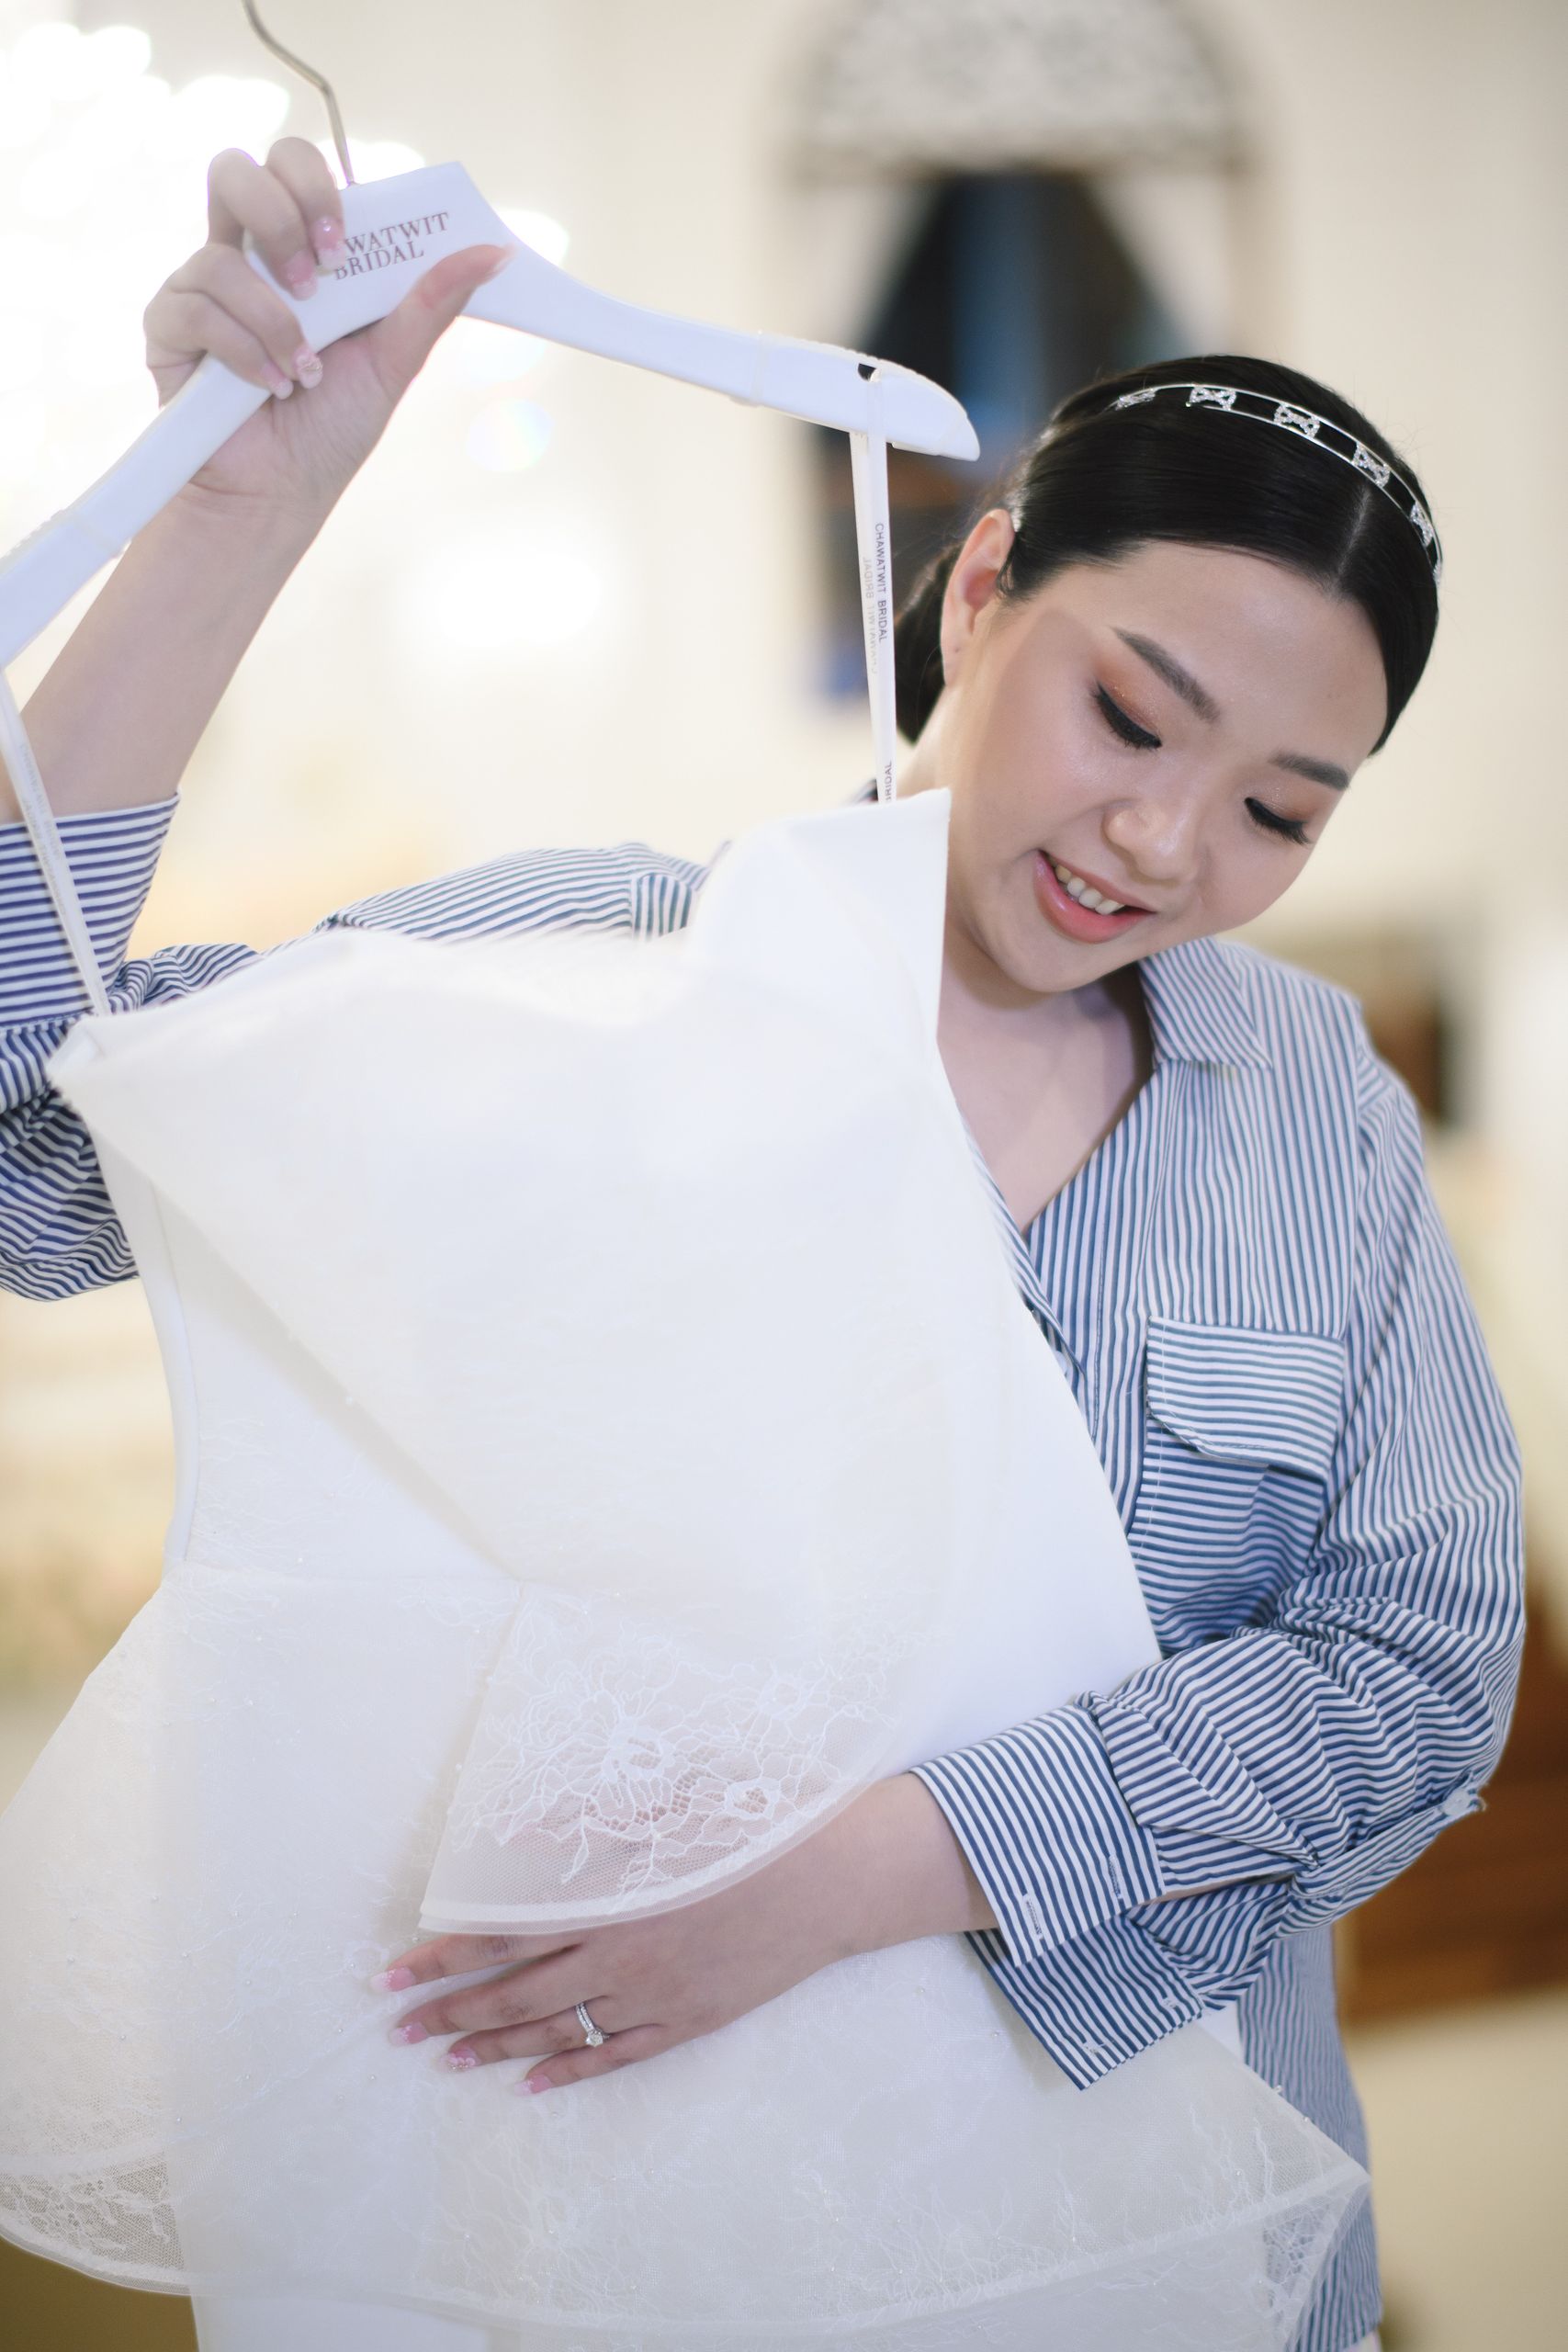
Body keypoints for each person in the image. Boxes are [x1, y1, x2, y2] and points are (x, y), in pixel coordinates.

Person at [0, 141, 1523, 2352]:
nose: (1161, 839)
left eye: (1281, 808)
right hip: (647, 2263)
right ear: (979, 585)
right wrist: (231, 519)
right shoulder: (591, 980)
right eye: (1129, 713)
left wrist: (849, 1878)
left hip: (1185, 2263)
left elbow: (1415, 1675)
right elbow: (31, 1153)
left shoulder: (1309, 1107)